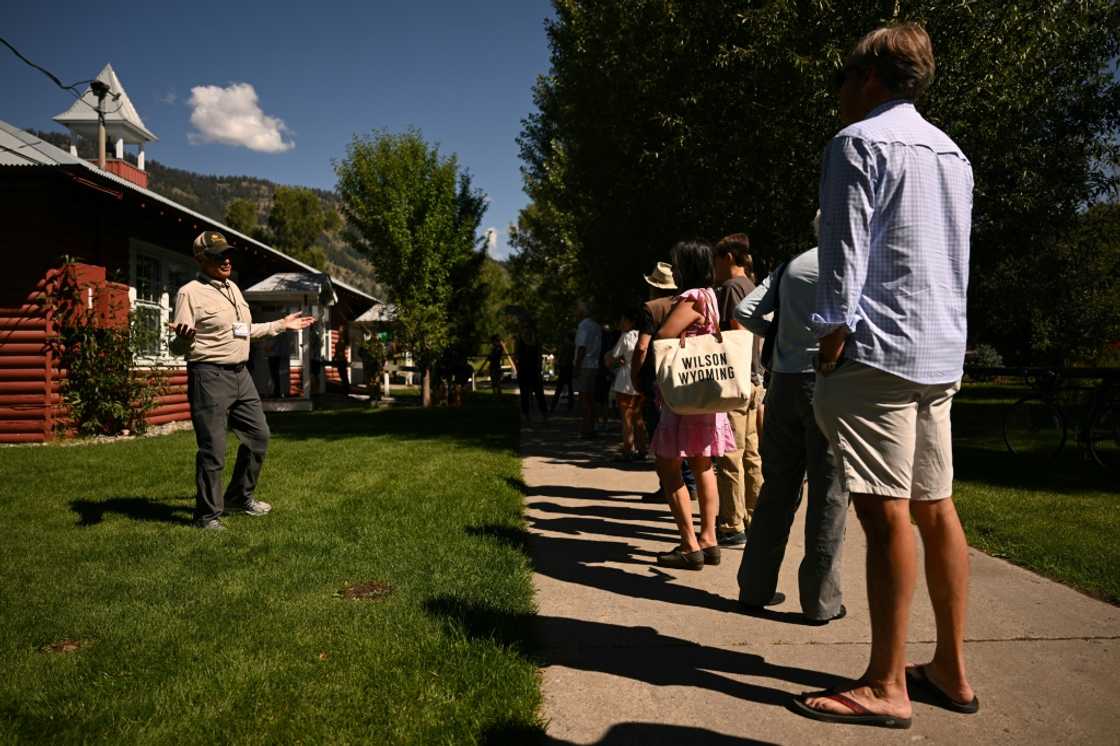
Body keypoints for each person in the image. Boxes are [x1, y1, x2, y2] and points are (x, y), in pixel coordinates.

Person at [794, 24, 977, 728]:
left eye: (843, 75)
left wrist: (831, 341)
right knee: (936, 507)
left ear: (871, 78)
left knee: (884, 510)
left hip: (877, 353)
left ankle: (885, 684)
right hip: (938, 352)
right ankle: (951, 671)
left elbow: (844, 256)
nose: (839, 90)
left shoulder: (857, 143)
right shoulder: (953, 154)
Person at [734, 211, 849, 624]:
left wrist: (782, 334)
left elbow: (746, 311)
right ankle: (821, 601)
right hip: (830, 380)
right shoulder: (851, 265)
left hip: (783, 382)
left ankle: (754, 587)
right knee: (829, 493)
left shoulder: (790, 266)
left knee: (777, 489)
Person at [170, 231, 314, 530]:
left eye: (227, 254)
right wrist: (183, 340)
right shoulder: (189, 293)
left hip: (241, 374)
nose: (226, 260)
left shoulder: (233, 288)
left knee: (259, 436)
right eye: (219, 255)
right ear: (201, 259)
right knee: (213, 448)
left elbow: (243, 330)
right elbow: (178, 346)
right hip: (209, 375)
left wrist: (281, 325)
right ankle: (207, 516)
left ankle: (238, 496)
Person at [650, 241, 736, 570]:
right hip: (707, 394)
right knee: (703, 465)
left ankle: (688, 544)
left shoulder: (692, 297)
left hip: (685, 393)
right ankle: (709, 539)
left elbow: (665, 335)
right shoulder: (712, 296)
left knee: (668, 465)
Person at [711, 233, 764, 546]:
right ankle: (756, 515)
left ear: (728, 258)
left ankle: (733, 525)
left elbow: (738, 333)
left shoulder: (731, 289)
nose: (714, 269)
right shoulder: (754, 287)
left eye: (716, 261)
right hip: (756, 380)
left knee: (730, 455)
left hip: (737, 382)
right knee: (752, 454)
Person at [631, 262, 696, 501]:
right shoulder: (687, 303)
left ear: (654, 287)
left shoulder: (651, 308)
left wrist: (635, 375)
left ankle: (669, 485)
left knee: (660, 434)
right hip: (685, 376)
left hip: (656, 379)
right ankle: (689, 483)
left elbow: (641, 347)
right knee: (684, 432)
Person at [608, 310, 646, 459]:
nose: (620, 323)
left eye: (623, 320)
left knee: (626, 418)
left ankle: (628, 450)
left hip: (625, 379)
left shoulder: (626, 336)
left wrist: (613, 360)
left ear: (630, 322)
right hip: (640, 378)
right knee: (639, 417)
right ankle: (642, 449)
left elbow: (614, 356)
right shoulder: (644, 335)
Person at [573, 302, 602, 439]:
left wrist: (576, 366)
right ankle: (592, 426)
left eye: (577, 310)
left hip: (585, 365)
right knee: (591, 399)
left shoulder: (583, 326)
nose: (575, 312)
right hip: (594, 364)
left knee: (584, 398)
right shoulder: (596, 326)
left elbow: (582, 348)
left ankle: (585, 429)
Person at [516, 316, 549, 424]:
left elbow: (518, 356)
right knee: (539, 393)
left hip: (524, 369)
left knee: (525, 394)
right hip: (534, 369)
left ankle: (527, 415)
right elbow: (539, 355)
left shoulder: (520, 339)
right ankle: (544, 414)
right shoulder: (535, 339)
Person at [550, 336, 575, 412]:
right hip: (570, 367)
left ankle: (553, 406)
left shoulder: (565, 345)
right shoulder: (574, 345)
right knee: (570, 388)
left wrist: (558, 364)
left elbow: (561, 356)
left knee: (559, 388)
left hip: (564, 368)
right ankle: (570, 405)